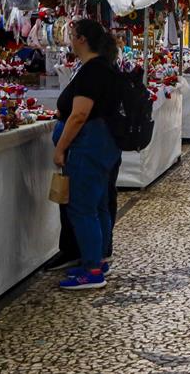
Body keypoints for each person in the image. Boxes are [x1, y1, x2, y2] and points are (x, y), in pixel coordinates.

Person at [52, 19, 122, 290]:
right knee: (99, 204)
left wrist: (60, 148)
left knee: (82, 208)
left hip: (88, 147)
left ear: (81, 39)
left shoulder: (92, 71)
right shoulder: (104, 68)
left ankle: (92, 269)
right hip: (103, 146)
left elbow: (79, 114)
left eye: (71, 35)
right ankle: (98, 259)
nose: (69, 39)